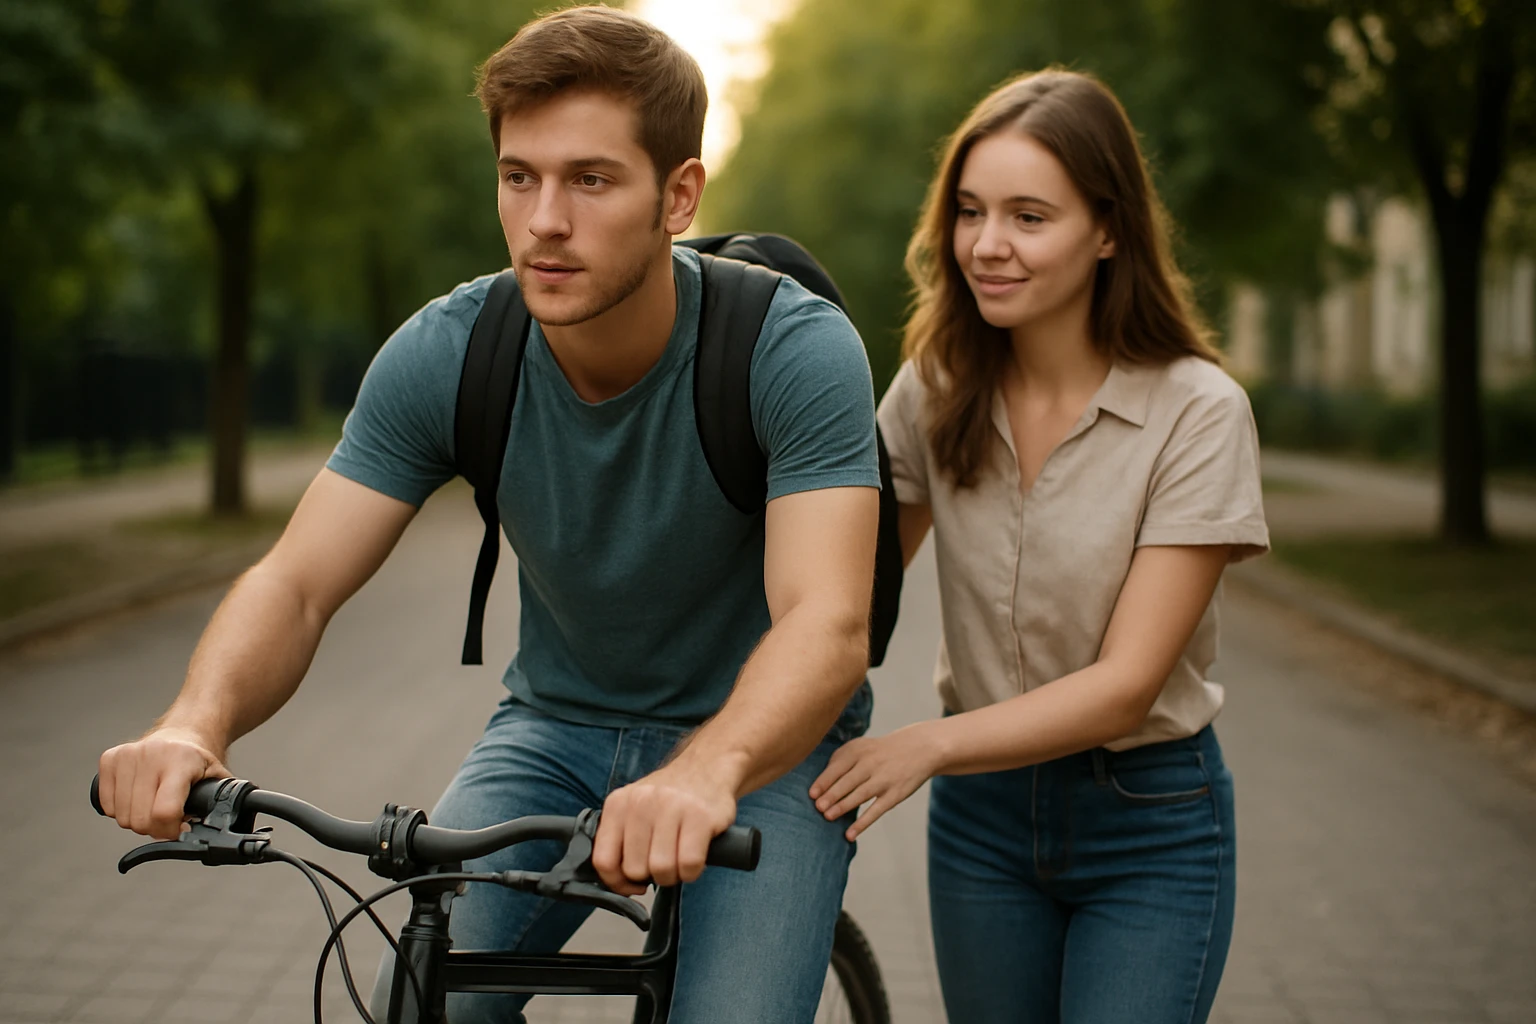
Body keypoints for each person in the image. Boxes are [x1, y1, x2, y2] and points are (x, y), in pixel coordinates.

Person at [95, 7, 881, 1022]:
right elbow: (294, 584)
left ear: (678, 194)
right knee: (418, 1003)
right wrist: (191, 725)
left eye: (591, 179)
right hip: (555, 727)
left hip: (770, 747)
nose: (545, 219)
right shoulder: (454, 352)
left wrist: (709, 771)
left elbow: (829, 621)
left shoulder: (790, 349)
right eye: (520, 177)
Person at [810, 68, 1270, 1024]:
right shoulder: (935, 384)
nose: (987, 245)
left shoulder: (1199, 412)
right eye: (971, 212)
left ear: (1108, 230)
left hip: (1150, 818)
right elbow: (844, 585)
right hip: (981, 826)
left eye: (1029, 216)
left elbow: (1126, 685)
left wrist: (924, 746)